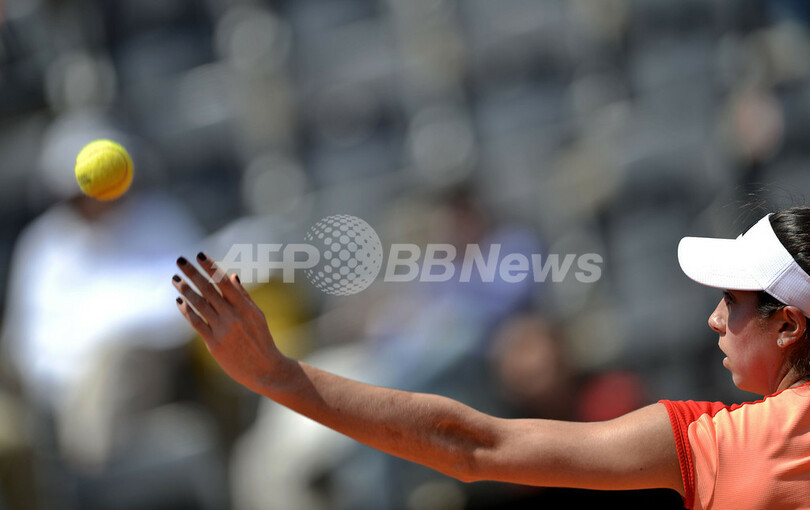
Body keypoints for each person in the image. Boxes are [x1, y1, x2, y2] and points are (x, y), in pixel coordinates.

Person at [171, 206, 810, 510]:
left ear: (787, 326)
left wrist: (276, 375)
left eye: (732, 302)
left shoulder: (718, 442)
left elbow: (471, 445)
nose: (715, 318)